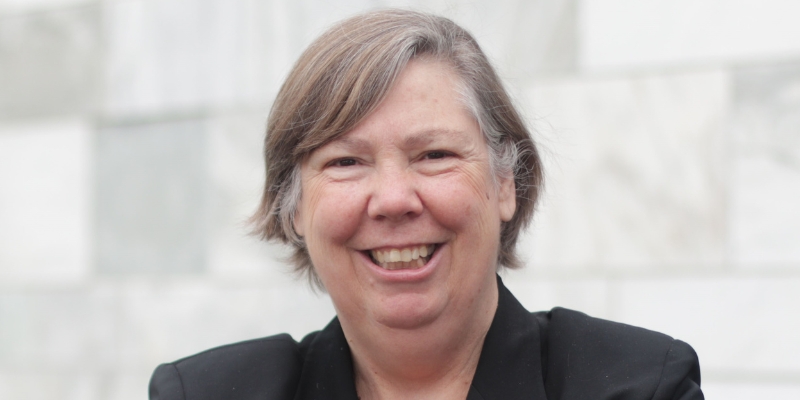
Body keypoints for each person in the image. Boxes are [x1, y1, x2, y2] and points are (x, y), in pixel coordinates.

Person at [149, 9, 703, 400]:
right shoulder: (203, 393)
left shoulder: (637, 385)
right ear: (293, 208)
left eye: (434, 154)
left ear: (505, 183)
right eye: (345, 162)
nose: (393, 199)